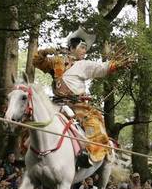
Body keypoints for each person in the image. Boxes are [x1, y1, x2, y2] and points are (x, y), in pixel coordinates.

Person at [33, 27, 133, 165]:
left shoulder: (85, 65)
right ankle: (30, 152)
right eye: (82, 48)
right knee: (34, 117)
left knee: (94, 124)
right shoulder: (56, 62)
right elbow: (37, 62)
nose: (85, 51)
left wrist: (117, 64)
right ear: (72, 48)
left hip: (77, 105)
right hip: (55, 104)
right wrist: (44, 52)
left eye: (85, 48)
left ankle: (91, 156)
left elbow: (102, 68)